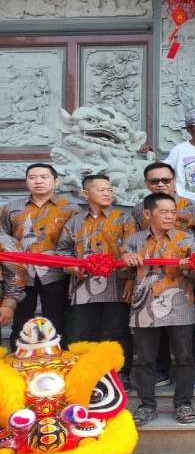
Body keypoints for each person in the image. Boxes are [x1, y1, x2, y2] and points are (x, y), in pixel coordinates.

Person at [123, 193, 195, 426]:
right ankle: (147, 405)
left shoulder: (185, 239)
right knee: (145, 359)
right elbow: (124, 274)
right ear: (148, 214)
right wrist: (127, 259)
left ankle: (184, 404)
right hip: (144, 305)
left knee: (184, 357)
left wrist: (189, 268)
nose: (170, 216)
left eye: (172, 212)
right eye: (163, 212)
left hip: (179, 304)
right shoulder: (134, 241)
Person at [134, 162, 195, 387]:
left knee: (185, 328)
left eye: (165, 180)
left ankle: (187, 374)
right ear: (147, 183)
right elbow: (137, 241)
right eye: (154, 181)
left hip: (185, 277)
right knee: (156, 326)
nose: (161, 185)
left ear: (174, 180)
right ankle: (161, 371)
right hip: (152, 279)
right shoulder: (140, 209)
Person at [56, 174, 135, 381]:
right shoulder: (74, 221)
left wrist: (130, 280)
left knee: (116, 332)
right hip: (83, 287)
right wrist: (72, 267)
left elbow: (133, 250)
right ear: (85, 193)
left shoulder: (124, 218)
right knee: (83, 333)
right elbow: (63, 251)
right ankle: (85, 376)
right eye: (101, 190)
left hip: (116, 285)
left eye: (109, 189)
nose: (107, 193)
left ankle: (119, 376)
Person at [0, 163, 79, 350]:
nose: (38, 181)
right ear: (26, 182)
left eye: (44, 177)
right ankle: (18, 366)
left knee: (58, 321)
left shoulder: (70, 209)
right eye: (33, 177)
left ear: (55, 181)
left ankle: (58, 368)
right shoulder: (11, 208)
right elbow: (4, 238)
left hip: (57, 274)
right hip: (21, 276)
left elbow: (76, 242)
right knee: (20, 324)